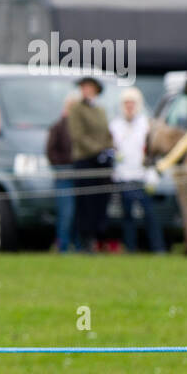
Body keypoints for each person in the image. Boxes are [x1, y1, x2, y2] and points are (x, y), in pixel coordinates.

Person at [109, 87, 165, 253]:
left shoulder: (147, 124)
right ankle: (130, 248)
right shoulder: (115, 125)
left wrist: (153, 172)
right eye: (126, 103)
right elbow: (111, 148)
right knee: (127, 216)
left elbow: (153, 151)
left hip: (142, 176)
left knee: (149, 215)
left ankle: (158, 248)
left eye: (132, 103)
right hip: (123, 176)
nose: (129, 107)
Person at [66, 75, 114, 252]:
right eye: (83, 87)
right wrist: (97, 150)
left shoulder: (100, 110)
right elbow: (78, 136)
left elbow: (107, 133)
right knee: (85, 202)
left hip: (101, 162)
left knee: (101, 201)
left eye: (89, 87)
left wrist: (109, 149)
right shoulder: (77, 109)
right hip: (85, 160)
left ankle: (99, 238)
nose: (86, 90)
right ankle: (84, 240)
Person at [45, 91, 82, 253]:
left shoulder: (82, 127)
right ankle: (63, 246)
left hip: (80, 176)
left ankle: (78, 245)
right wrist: (64, 165)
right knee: (65, 213)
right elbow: (50, 152)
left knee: (78, 213)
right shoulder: (58, 127)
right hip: (64, 176)